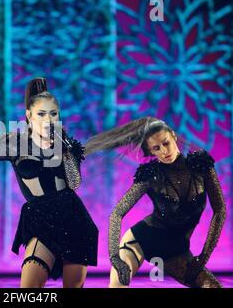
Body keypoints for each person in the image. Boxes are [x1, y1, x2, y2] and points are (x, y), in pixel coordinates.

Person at [0, 77, 98, 288]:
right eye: (41, 114)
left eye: (53, 114)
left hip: (73, 219)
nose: (48, 119)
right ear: (29, 116)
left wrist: (67, 151)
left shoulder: (67, 145)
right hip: (40, 218)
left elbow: (75, 183)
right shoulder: (16, 142)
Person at [84, 117, 226, 287]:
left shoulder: (201, 166)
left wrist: (204, 256)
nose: (164, 151)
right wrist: (115, 257)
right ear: (151, 152)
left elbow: (220, 210)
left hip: (176, 251)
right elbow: (117, 212)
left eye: (166, 143)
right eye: (156, 148)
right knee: (117, 286)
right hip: (141, 240)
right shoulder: (150, 175)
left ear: (173, 136)